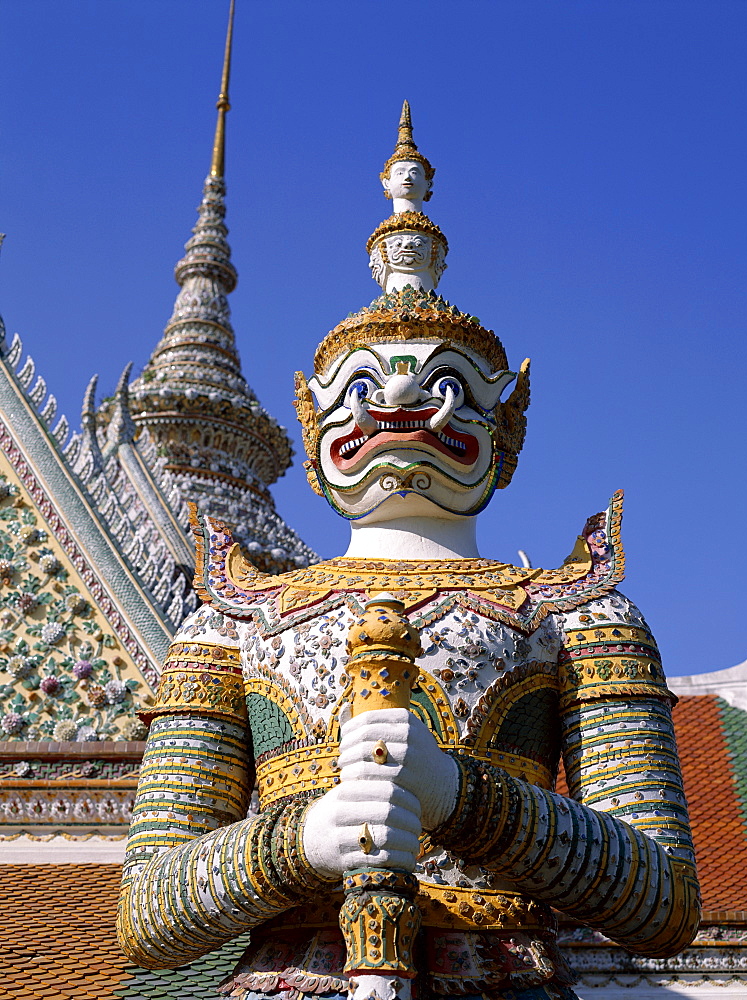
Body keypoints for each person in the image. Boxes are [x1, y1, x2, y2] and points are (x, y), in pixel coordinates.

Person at [118, 104, 699, 1000]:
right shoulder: (235, 619)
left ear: (505, 425)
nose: (398, 398)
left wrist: (461, 797)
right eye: (361, 387)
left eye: (445, 387)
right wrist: (305, 837)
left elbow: (660, 900)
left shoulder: (574, 613)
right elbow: (148, 913)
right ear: (312, 426)